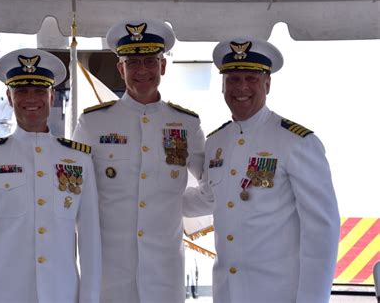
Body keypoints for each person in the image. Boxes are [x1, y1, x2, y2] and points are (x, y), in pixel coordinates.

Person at [184, 38, 340, 303]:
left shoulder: (297, 142)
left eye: (251, 78)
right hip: (227, 292)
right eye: (233, 79)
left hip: (277, 293)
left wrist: (312, 299)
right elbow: (210, 198)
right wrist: (151, 196)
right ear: (223, 85)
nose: (241, 87)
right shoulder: (216, 142)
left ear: (267, 84)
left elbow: (322, 229)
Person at [0, 48, 101, 303]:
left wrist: (89, 299)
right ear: (9, 98)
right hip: (1, 294)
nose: (31, 98)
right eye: (21, 90)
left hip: (61, 294)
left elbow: (90, 238)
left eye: (40, 90)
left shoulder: (79, 159)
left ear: (52, 96)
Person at [72, 19, 205, 303]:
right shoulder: (93, 123)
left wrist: (174, 203)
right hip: (110, 272)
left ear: (163, 67)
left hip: (165, 273)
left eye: (149, 61)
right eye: (132, 63)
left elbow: (214, 185)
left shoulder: (185, 123)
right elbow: (71, 191)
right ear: (121, 69)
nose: (141, 70)